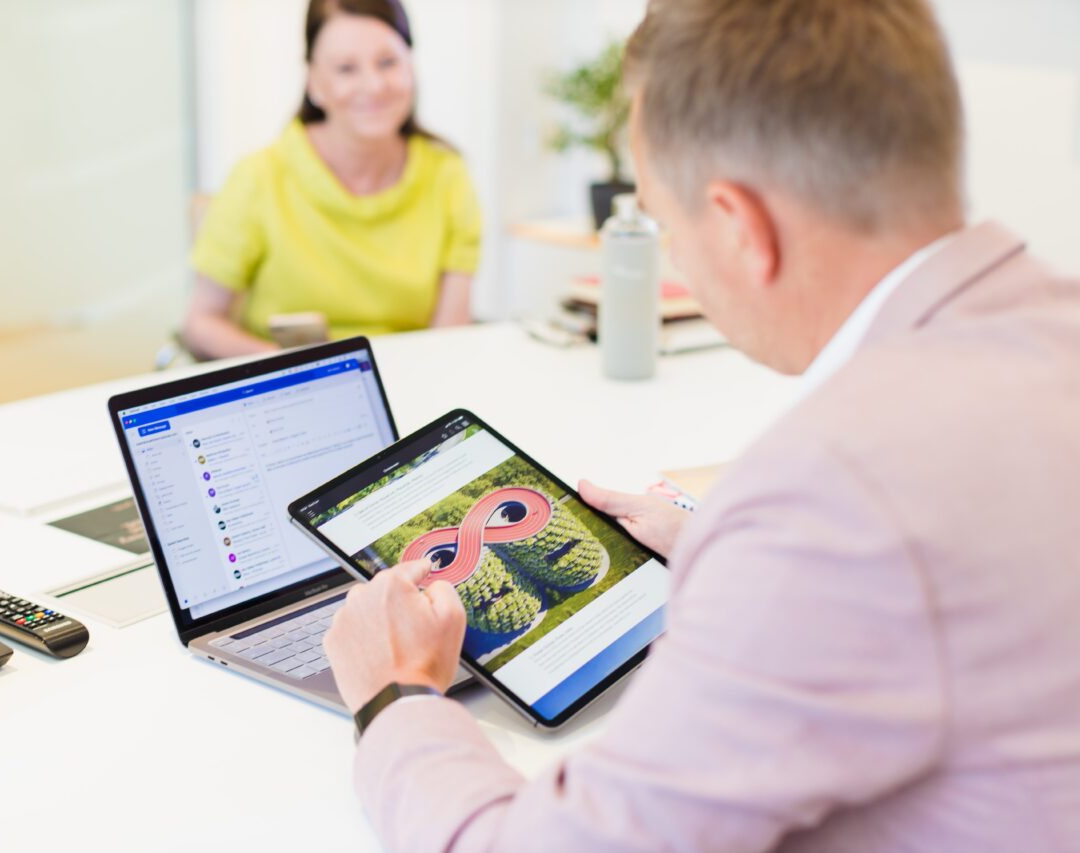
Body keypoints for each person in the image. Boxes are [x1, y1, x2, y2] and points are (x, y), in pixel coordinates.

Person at [322, 0, 1080, 849]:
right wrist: (724, 547)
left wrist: (397, 698)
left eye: (666, 225)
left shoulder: (831, 502)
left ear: (738, 225)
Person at [184, 0, 481, 358]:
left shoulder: (447, 175)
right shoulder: (259, 177)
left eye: (388, 62)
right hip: (285, 388)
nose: (373, 86)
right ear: (314, 82)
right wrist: (299, 371)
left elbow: (447, 340)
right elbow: (201, 322)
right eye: (346, 68)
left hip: (410, 383)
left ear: (411, 67)